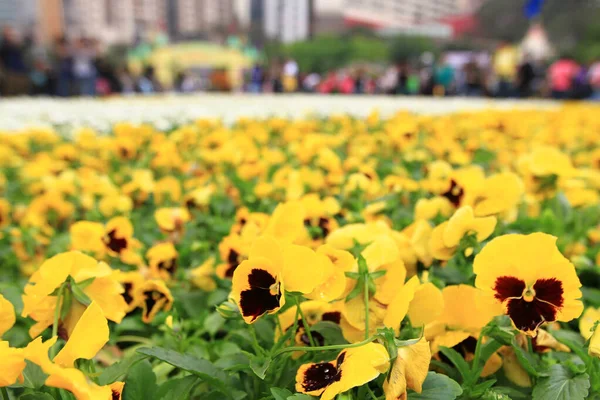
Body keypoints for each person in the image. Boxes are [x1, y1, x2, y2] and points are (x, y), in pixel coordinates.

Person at [0, 26, 30, 96]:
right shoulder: (4, 45)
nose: (11, 36)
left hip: (21, 71)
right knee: (11, 92)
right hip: (10, 72)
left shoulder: (17, 45)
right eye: (9, 34)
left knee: (22, 92)